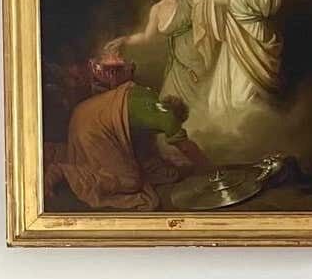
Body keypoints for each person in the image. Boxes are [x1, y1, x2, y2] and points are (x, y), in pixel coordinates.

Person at [55, 56, 208, 211]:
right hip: (92, 130)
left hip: (81, 114)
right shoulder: (166, 116)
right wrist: (209, 168)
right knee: (130, 181)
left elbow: (143, 151)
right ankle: (62, 172)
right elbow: (187, 148)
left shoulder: (147, 97)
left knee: (136, 170)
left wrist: (171, 171)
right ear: (177, 115)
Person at [189, 0, 300, 121]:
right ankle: (231, 139)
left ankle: (251, 136)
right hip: (233, 46)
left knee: (243, 99)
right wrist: (215, 0)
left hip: (254, 39)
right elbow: (199, 4)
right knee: (218, 100)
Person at [102, 0, 213, 112]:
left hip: (197, 54)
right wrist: (124, 40)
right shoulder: (157, 9)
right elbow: (147, 36)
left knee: (203, 98)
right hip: (177, 63)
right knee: (172, 105)